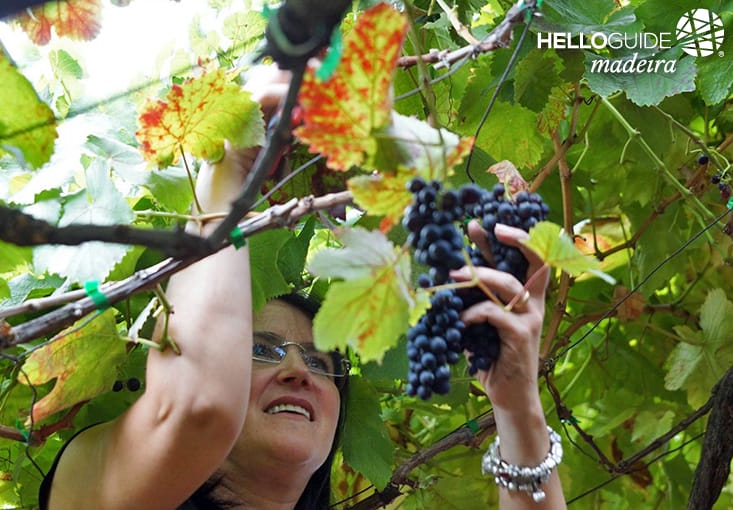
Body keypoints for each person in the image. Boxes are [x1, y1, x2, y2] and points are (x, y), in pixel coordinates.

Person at [39, 72, 567, 510]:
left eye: (320, 363)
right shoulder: (95, 484)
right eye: (260, 350)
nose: (297, 371)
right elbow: (195, 407)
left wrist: (517, 400)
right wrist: (231, 175)